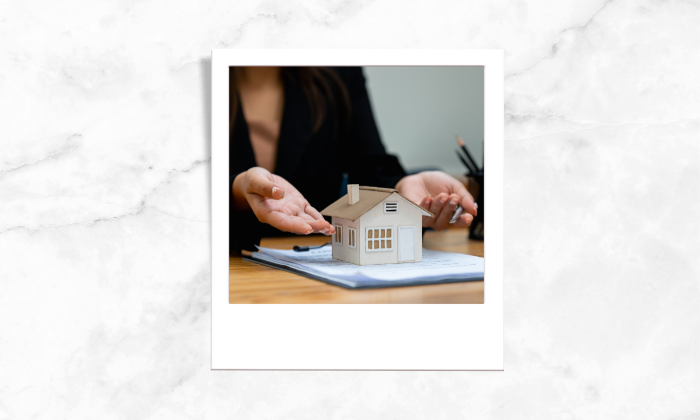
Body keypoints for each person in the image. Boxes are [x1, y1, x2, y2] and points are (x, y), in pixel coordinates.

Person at [230, 66, 477, 253]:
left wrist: (401, 189)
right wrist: (237, 189)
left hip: (317, 274)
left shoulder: (339, 72)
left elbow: (370, 168)